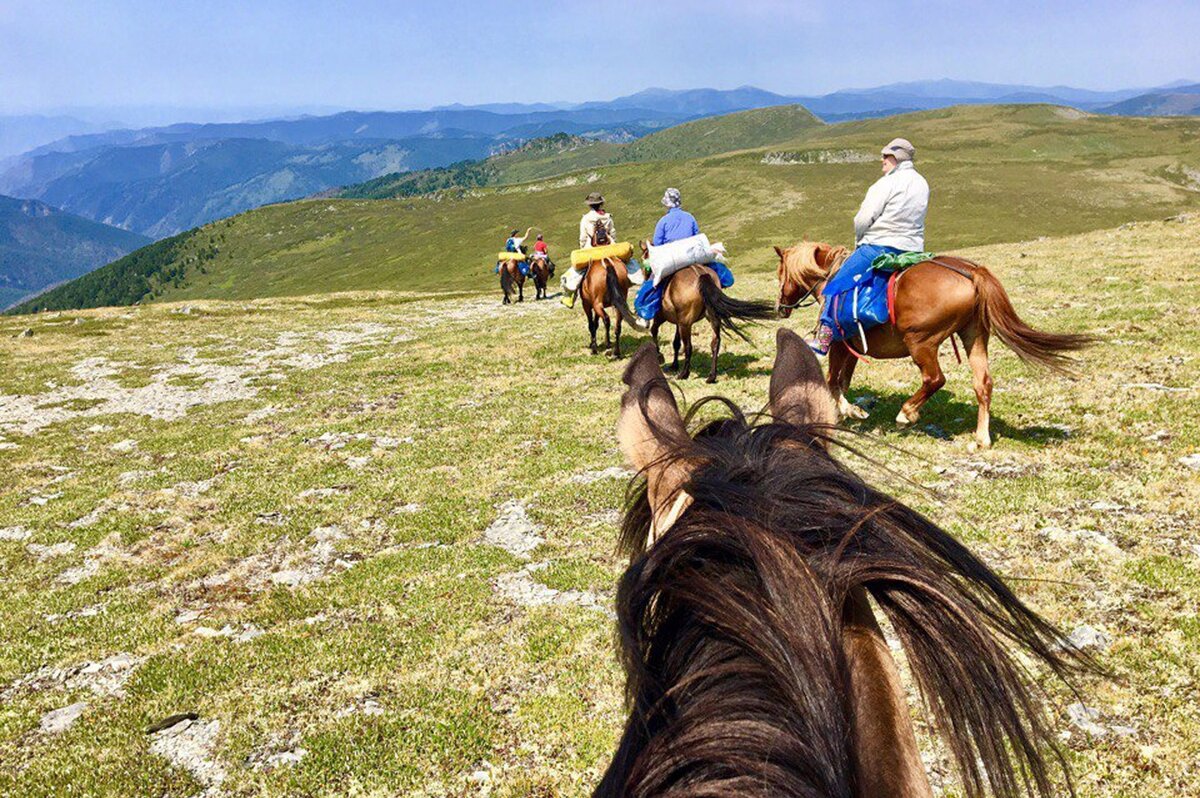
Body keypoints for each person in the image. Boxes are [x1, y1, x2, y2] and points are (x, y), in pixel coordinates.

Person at [807, 138, 929, 355]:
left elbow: (863, 219)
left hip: (880, 246)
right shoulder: (922, 183)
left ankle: (823, 339)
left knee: (836, 285)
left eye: (885, 156)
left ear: (896, 157)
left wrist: (859, 241)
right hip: (913, 251)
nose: (881, 160)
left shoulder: (886, 183)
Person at [633, 188, 734, 328]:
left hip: (673, 259)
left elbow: (658, 244)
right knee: (716, 270)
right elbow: (696, 236)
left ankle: (644, 315)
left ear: (667, 204)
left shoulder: (663, 221)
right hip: (692, 256)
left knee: (651, 285)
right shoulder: (690, 217)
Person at [562, 192, 617, 307]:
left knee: (574, 274)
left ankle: (570, 297)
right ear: (601, 203)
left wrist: (583, 248)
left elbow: (583, 238)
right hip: (609, 249)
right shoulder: (608, 217)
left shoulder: (586, 218)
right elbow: (613, 233)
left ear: (590, 205)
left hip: (591, 249)